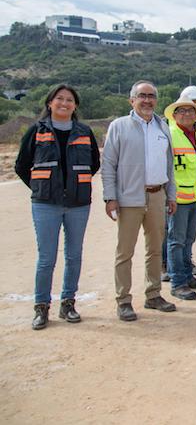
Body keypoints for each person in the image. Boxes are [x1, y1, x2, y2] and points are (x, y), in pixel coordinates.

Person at [15, 84, 101, 330]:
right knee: (46, 258)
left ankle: (68, 303)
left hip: (78, 204)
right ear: (50, 103)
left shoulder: (84, 131)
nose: (64, 103)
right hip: (46, 204)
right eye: (59, 99)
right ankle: (41, 307)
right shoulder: (36, 131)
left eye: (70, 100)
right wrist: (42, 187)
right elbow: (22, 165)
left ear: (75, 105)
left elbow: (93, 164)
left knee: (74, 256)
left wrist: (74, 186)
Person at [102, 81, 177, 321]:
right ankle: (123, 300)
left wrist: (171, 195)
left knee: (155, 249)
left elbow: (169, 167)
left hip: (157, 195)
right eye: (142, 96)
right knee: (125, 252)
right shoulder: (119, 126)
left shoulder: (163, 127)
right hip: (129, 198)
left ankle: (153, 294)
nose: (147, 100)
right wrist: (110, 197)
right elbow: (108, 165)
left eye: (151, 96)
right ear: (131, 100)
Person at [164, 94, 196, 301]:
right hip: (178, 198)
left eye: (190, 110)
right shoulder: (169, 135)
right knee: (176, 240)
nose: (187, 114)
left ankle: (187, 275)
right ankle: (177, 282)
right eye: (182, 110)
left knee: (189, 239)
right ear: (174, 115)